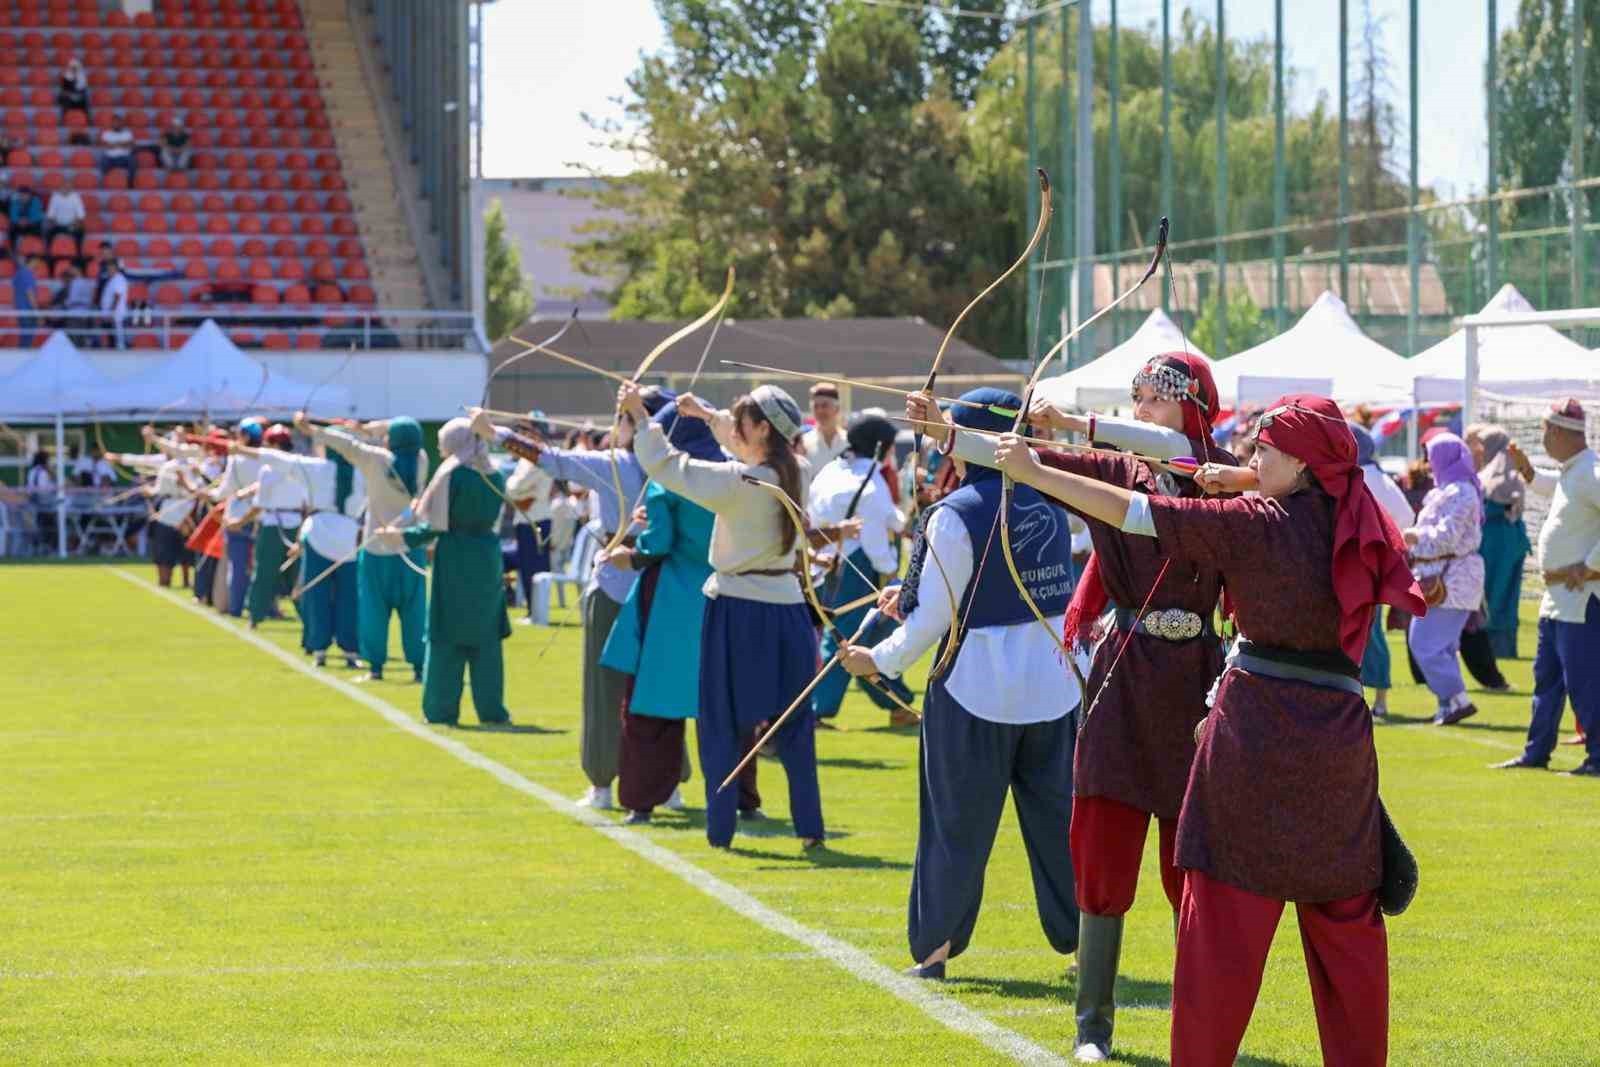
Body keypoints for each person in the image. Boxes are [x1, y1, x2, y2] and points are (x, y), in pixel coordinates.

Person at [995, 394, 1424, 1067]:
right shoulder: (1357, 514)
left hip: (1256, 739)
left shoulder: (1256, 524)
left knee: (1219, 931)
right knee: (1347, 935)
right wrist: (1249, 478)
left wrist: (1033, 469)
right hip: (1339, 748)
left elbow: (1132, 512)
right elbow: (1308, 486)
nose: (1251, 458)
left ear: (1299, 462)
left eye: (1264, 450)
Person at [923, 352, 1230, 1063]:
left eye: (1153, 398)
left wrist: (1084, 422)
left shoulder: (1221, 476)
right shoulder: (1117, 473)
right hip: (1124, 680)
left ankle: (1204, 1026)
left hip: (1197, 684)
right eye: (1136, 398)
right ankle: (1092, 1027)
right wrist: (948, 433)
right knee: (1103, 847)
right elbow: (1026, 460)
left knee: (1197, 861)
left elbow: (1182, 456)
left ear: (1191, 407)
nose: (1141, 409)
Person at [842, 387, 1080, 981]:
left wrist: (878, 661)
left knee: (955, 823)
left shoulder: (953, 513)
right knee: (1061, 826)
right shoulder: (1053, 499)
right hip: (1055, 691)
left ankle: (936, 951)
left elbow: (931, 621)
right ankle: (1085, 949)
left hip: (977, 692)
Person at [621, 381, 826, 850]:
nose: (734, 429)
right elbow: (745, 446)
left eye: (742, 421)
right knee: (794, 725)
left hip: (737, 611)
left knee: (721, 722)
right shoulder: (799, 469)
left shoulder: (742, 483)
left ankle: (721, 833)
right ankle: (810, 830)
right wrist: (704, 414)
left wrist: (640, 415)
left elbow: (668, 466)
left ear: (759, 429)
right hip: (788, 611)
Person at [516, 395, 666, 811]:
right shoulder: (678, 465)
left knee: (606, 688)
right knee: (659, 685)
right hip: (660, 586)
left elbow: (550, 460)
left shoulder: (616, 463)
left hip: (621, 584)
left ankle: (603, 784)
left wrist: (497, 434)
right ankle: (667, 786)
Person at [584, 400, 724, 823]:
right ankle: (739, 798)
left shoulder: (670, 480)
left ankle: (645, 798)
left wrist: (631, 552)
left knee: (648, 705)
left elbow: (659, 543)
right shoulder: (732, 474)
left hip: (671, 598)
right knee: (720, 705)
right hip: (720, 595)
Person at [375, 418, 512, 727]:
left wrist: (400, 537)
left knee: (447, 634)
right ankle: (492, 710)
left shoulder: (453, 474)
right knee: (485, 637)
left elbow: (438, 525)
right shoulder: (496, 475)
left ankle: (440, 709)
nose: (439, 448)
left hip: (456, 558)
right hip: (487, 558)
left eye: (443, 442)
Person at [1494, 399, 1600, 777]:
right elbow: (1551, 487)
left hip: (1581, 597)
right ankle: (1536, 752)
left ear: (1556, 431)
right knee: (1547, 681)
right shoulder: (1574, 472)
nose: (1543, 439)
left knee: (1584, 682)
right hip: (1557, 599)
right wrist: (1526, 470)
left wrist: (1590, 565)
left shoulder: (1589, 472)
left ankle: (1598, 758)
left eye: (1544, 431)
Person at [808, 411, 916, 727]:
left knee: (866, 638)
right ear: (881, 446)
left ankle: (898, 703)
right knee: (847, 641)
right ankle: (817, 709)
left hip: (826, 565)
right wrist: (894, 574)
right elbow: (876, 538)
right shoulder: (870, 480)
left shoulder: (830, 470)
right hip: (858, 569)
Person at [304, 415, 429, 683]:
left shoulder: (376, 459)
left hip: (376, 550)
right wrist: (369, 429)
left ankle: (376, 668)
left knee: (374, 611)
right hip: (410, 547)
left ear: (392, 439)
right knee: (415, 612)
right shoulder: (421, 460)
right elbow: (404, 431)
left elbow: (345, 444)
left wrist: (314, 428)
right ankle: (420, 668)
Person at [1403, 433, 1487, 726]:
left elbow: (1447, 537)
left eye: (1432, 455)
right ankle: (1448, 704)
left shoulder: (1462, 491)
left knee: (1424, 643)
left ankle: (1457, 699)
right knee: (1442, 646)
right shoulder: (1445, 489)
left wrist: (1413, 537)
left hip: (1454, 578)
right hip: (1438, 577)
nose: (1428, 462)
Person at [1350, 423, 1414, 720]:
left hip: (1362, 565)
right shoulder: (1379, 476)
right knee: (1369, 632)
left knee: (1367, 632)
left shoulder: (1361, 478)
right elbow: (1406, 516)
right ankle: (1377, 698)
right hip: (1376, 564)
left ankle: (1375, 698)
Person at [1466, 424, 1532, 658]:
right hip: (1513, 540)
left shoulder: (1497, 474)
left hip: (1496, 542)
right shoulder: (1510, 471)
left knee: (1494, 595)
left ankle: (1496, 650)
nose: (1478, 450)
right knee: (1506, 596)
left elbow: (1492, 506)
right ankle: (1504, 649)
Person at [234, 424, 303, 628]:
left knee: (264, 572)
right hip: (296, 524)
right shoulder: (300, 465)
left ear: (274, 445)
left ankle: (255, 617)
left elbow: (260, 504)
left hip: (274, 525)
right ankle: (310, 619)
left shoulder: (268, 468)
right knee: (297, 575)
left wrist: (240, 522)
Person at [504, 412, 556, 623]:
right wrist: (516, 490)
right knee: (527, 566)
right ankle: (533, 612)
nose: (521, 434)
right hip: (526, 518)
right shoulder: (528, 456)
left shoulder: (540, 455)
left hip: (536, 519)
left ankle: (537, 613)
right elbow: (512, 488)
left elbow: (516, 485)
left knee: (536, 567)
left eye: (526, 430)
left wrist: (516, 489)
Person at [801, 381, 849, 467]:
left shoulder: (849, 442)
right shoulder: (804, 444)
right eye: (815, 406)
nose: (820, 411)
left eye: (824, 405)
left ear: (837, 409)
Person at [25, 451, 57, 553]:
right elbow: (44, 490)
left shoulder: (32, 471)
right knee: (48, 527)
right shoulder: (43, 472)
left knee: (41, 526)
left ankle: (41, 546)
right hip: (43, 504)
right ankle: (47, 547)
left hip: (35, 504)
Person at [99, 257, 129, 350]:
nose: (109, 270)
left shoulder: (118, 279)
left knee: (118, 338)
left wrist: (111, 312)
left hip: (116, 315)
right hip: (111, 315)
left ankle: (121, 351)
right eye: (108, 268)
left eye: (111, 268)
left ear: (115, 268)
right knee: (112, 338)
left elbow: (117, 296)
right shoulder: (112, 279)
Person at [13, 255, 40, 349]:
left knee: (25, 338)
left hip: (22, 310)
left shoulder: (19, 273)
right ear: (33, 261)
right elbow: (30, 294)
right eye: (38, 262)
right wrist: (37, 313)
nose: (38, 264)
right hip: (28, 311)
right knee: (27, 339)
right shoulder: (27, 273)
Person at [98, 115, 135, 181]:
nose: (116, 124)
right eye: (115, 122)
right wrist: (122, 144)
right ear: (112, 123)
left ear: (121, 123)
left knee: (132, 161)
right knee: (103, 161)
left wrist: (114, 144)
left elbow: (131, 145)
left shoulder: (127, 133)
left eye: (118, 122)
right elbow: (106, 145)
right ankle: (106, 181)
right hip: (110, 157)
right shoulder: (107, 133)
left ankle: (130, 181)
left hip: (124, 157)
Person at [57, 57, 89, 122]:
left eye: (76, 68)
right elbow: (64, 90)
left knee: (85, 101)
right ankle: (63, 120)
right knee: (65, 101)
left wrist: (78, 96)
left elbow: (83, 90)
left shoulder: (81, 78)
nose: (74, 69)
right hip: (68, 97)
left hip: (79, 97)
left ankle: (87, 120)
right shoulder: (66, 77)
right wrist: (70, 95)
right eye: (73, 68)